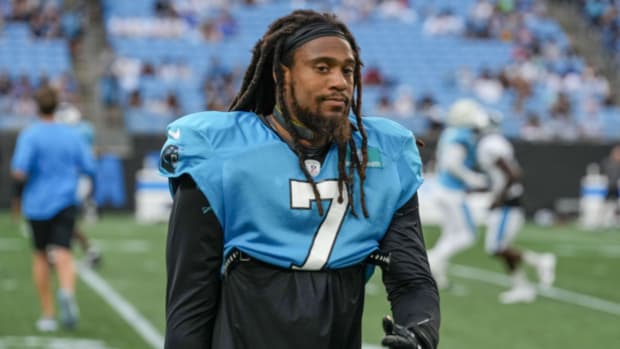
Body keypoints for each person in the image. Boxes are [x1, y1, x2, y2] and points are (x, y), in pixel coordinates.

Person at [159, 9, 439, 349]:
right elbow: (189, 300)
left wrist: (420, 330)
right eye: (322, 68)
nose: (339, 81)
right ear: (281, 74)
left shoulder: (382, 154)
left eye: (347, 70)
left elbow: (412, 279)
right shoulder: (221, 153)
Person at [10, 86, 96, 331]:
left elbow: (19, 171)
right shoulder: (73, 135)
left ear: (37, 106)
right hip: (66, 199)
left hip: (37, 203)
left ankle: (47, 313)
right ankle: (67, 292)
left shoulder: (30, 135)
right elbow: (89, 167)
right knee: (64, 252)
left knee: (40, 255)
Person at [477, 114, 557, 304]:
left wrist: (499, 198)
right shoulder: (498, 142)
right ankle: (521, 287)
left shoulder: (490, 144)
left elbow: (512, 174)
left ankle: (540, 261)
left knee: (496, 247)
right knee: (501, 247)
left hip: (508, 203)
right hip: (508, 200)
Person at [426, 98, 489, 289]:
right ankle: (431, 261)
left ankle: (438, 274)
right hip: (452, 192)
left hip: (444, 189)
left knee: (450, 234)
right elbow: (452, 164)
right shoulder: (461, 135)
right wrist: (473, 179)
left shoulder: (450, 133)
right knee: (467, 235)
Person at [55, 102, 102, 268]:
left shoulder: (77, 135)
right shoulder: (78, 133)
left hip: (76, 181)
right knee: (63, 218)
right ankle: (87, 251)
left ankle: (85, 250)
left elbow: (88, 162)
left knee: (64, 218)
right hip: (71, 180)